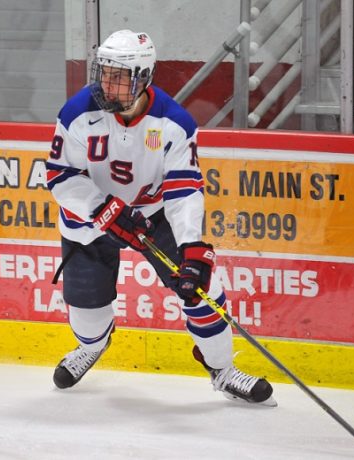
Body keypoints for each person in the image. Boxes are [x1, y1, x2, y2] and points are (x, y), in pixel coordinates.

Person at [47, 29, 275, 405]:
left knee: (203, 291)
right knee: (87, 317)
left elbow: (184, 189)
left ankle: (223, 371)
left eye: (119, 77)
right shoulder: (76, 113)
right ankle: (94, 344)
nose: (108, 84)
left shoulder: (174, 123)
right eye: (104, 73)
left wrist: (192, 246)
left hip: (154, 219)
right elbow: (59, 175)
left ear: (143, 78)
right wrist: (101, 209)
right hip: (89, 221)